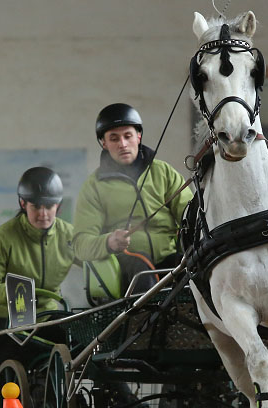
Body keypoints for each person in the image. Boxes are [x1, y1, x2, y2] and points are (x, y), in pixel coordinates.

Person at [73, 103, 192, 295]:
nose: (122, 144)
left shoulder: (164, 172)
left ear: (138, 136)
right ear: (103, 143)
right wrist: (109, 242)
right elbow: (80, 245)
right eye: (114, 138)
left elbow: (190, 213)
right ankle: (141, 321)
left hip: (169, 258)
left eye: (127, 136)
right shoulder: (94, 186)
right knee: (141, 268)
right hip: (125, 264)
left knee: (194, 265)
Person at [0, 166, 75, 344]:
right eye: (36, 207)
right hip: (0, 318)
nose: (43, 214)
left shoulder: (69, 235)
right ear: (23, 204)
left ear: (58, 205)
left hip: (43, 317)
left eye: (49, 206)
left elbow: (95, 254)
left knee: (78, 342)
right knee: (26, 347)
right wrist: (13, 292)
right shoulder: (4, 237)